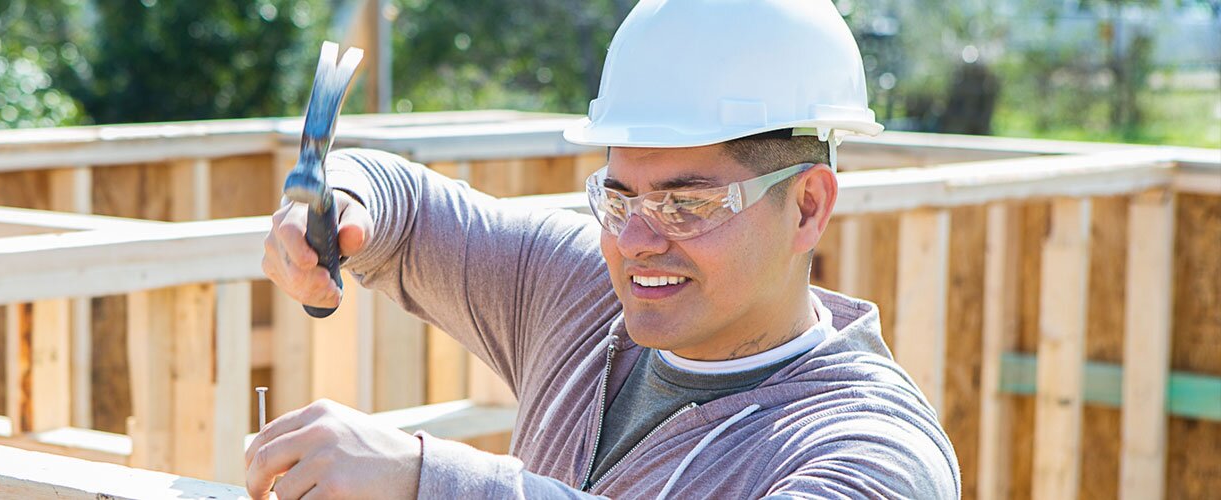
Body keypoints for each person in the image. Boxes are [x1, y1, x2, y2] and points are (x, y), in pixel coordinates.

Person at [247, 0, 961, 498]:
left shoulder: (874, 450)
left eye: (686, 205)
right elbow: (404, 203)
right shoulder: (579, 297)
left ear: (808, 206)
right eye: (618, 197)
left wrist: (425, 480)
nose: (635, 241)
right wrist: (338, 200)